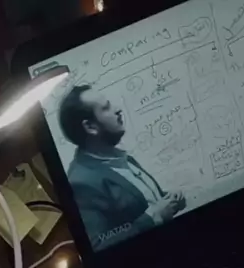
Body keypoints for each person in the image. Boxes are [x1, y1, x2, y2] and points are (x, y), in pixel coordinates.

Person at [58, 84, 186, 250]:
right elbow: (98, 244)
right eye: (106, 108)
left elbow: (136, 205)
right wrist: (154, 217)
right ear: (90, 127)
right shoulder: (80, 183)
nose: (118, 109)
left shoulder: (118, 156)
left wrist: (168, 200)